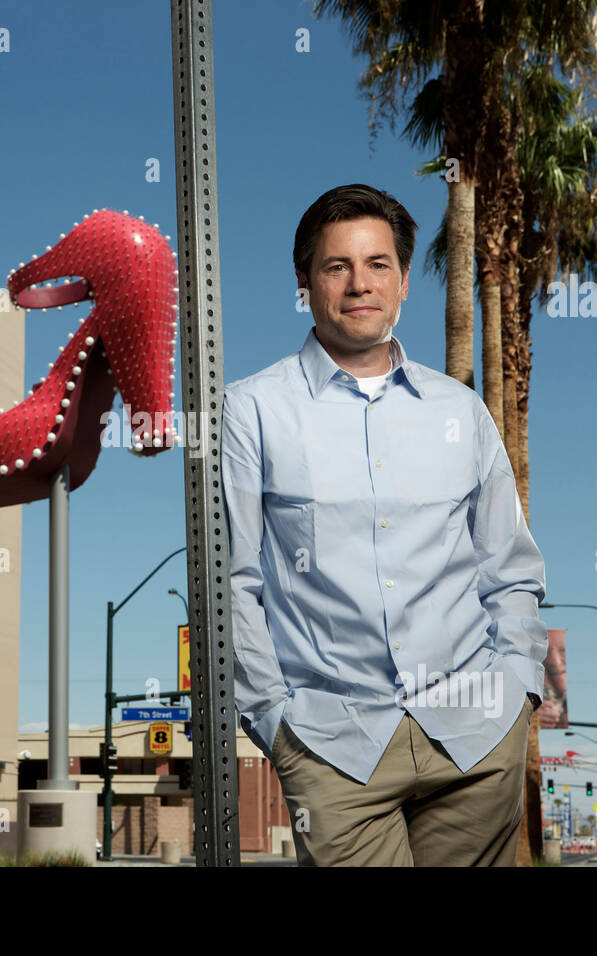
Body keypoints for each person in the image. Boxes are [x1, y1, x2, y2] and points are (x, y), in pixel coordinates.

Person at [223, 183, 549, 866]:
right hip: (334, 747)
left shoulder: (459, 410)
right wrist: (274, 721)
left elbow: (510, 567)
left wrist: (518, 684)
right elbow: (235, 582)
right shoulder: (251, 411)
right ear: (305, 282)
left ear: (403, 282)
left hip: (476, 736)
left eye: (377, 265)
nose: (358, 284)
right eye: (336, 266)